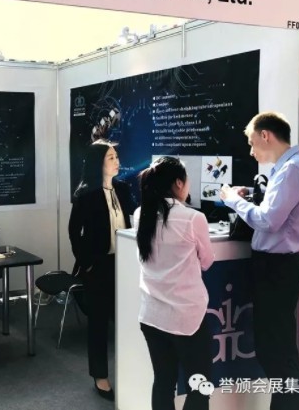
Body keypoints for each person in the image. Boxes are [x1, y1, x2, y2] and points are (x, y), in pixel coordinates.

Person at [220, 111, 299, 410]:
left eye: (252, 143)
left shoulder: (292, 170)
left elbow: (269, 220)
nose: (251, 151)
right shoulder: (292, 167)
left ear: (266, 135)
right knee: (277, 349)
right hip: (278, 268)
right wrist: (250, 195)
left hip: (276, 269)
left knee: (276, 351)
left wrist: (233, 200)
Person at [134, 156, 214, 410]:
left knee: (163, 382)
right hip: (186, 317)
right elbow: (207, 261)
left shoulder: (140, 214)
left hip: (152, 315)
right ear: (179, 183)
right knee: (200, 385)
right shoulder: (193, 218)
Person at [68, 139, 135, 401]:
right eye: (111, 157)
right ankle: (100, 376)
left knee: (125, 320)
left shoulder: (123, 189)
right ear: (99, 163)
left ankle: (129, 371)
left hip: (124, 262)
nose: (117, 161)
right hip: (98, 265)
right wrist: (86, 262)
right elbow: (74, 232)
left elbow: (133, 221)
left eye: (116, 156)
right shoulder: (86, 194)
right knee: (98, 323)